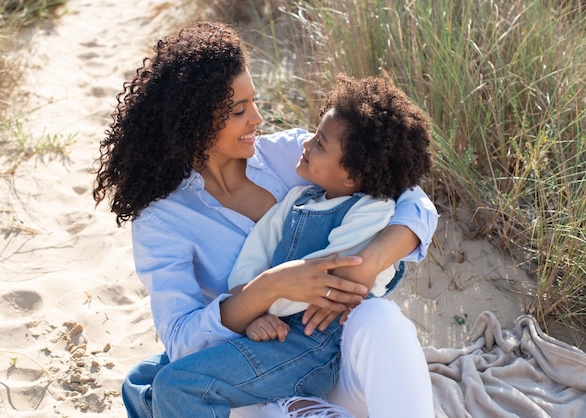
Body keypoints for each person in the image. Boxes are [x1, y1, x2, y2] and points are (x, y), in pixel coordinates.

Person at [93, 21, 437, 418]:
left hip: (337, 358)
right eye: (239, 110)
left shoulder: (289, 155)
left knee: (381, 319)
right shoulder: (162, 220)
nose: (257, 118)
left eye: (254, 101)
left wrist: (370, 264)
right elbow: (183, 342)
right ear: (195, 122)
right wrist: (265, 291)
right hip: (256, 382)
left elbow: (409, 194)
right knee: (184, 388)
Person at [162, 73, 433, 417]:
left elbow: (329, 273)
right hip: (274, 338)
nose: (306, 144)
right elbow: (254, 257)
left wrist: (267, 303)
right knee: (165, 380)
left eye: (319, 143)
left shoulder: (372, 210)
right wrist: (249, 309)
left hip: (317, 343)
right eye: (239, 109)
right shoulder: (296, 200)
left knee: (178, 385)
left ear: (352, 176)